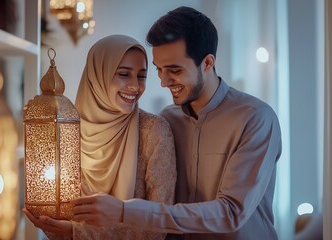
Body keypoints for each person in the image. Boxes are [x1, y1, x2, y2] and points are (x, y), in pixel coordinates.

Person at [70, 6, 282, 240]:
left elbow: (230, 213)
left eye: (174, 70)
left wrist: (123, 211)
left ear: (208, 63)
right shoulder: (167, 120)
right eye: (159, 70)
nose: (163, 82)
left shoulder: (255, 119)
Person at [23, 34, 177, 240]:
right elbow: (60, 220)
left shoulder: (154, 131)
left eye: (141, 76)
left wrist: (78, 232)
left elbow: (159, 224)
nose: (135, 86)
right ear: (97, 75)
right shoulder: (65, 129)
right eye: (124, 74)